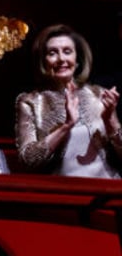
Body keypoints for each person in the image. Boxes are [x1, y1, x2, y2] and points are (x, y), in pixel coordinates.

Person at [15, 23, 122, 178]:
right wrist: (66, 126)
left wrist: (110, 121)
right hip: (62, 192)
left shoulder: (99, 94)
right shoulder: (29, 102)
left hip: (106, 187)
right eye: (52, 53)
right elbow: (27, 160)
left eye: (67, 51)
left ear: (77, 59)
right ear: (43, 60)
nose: (61, 59)